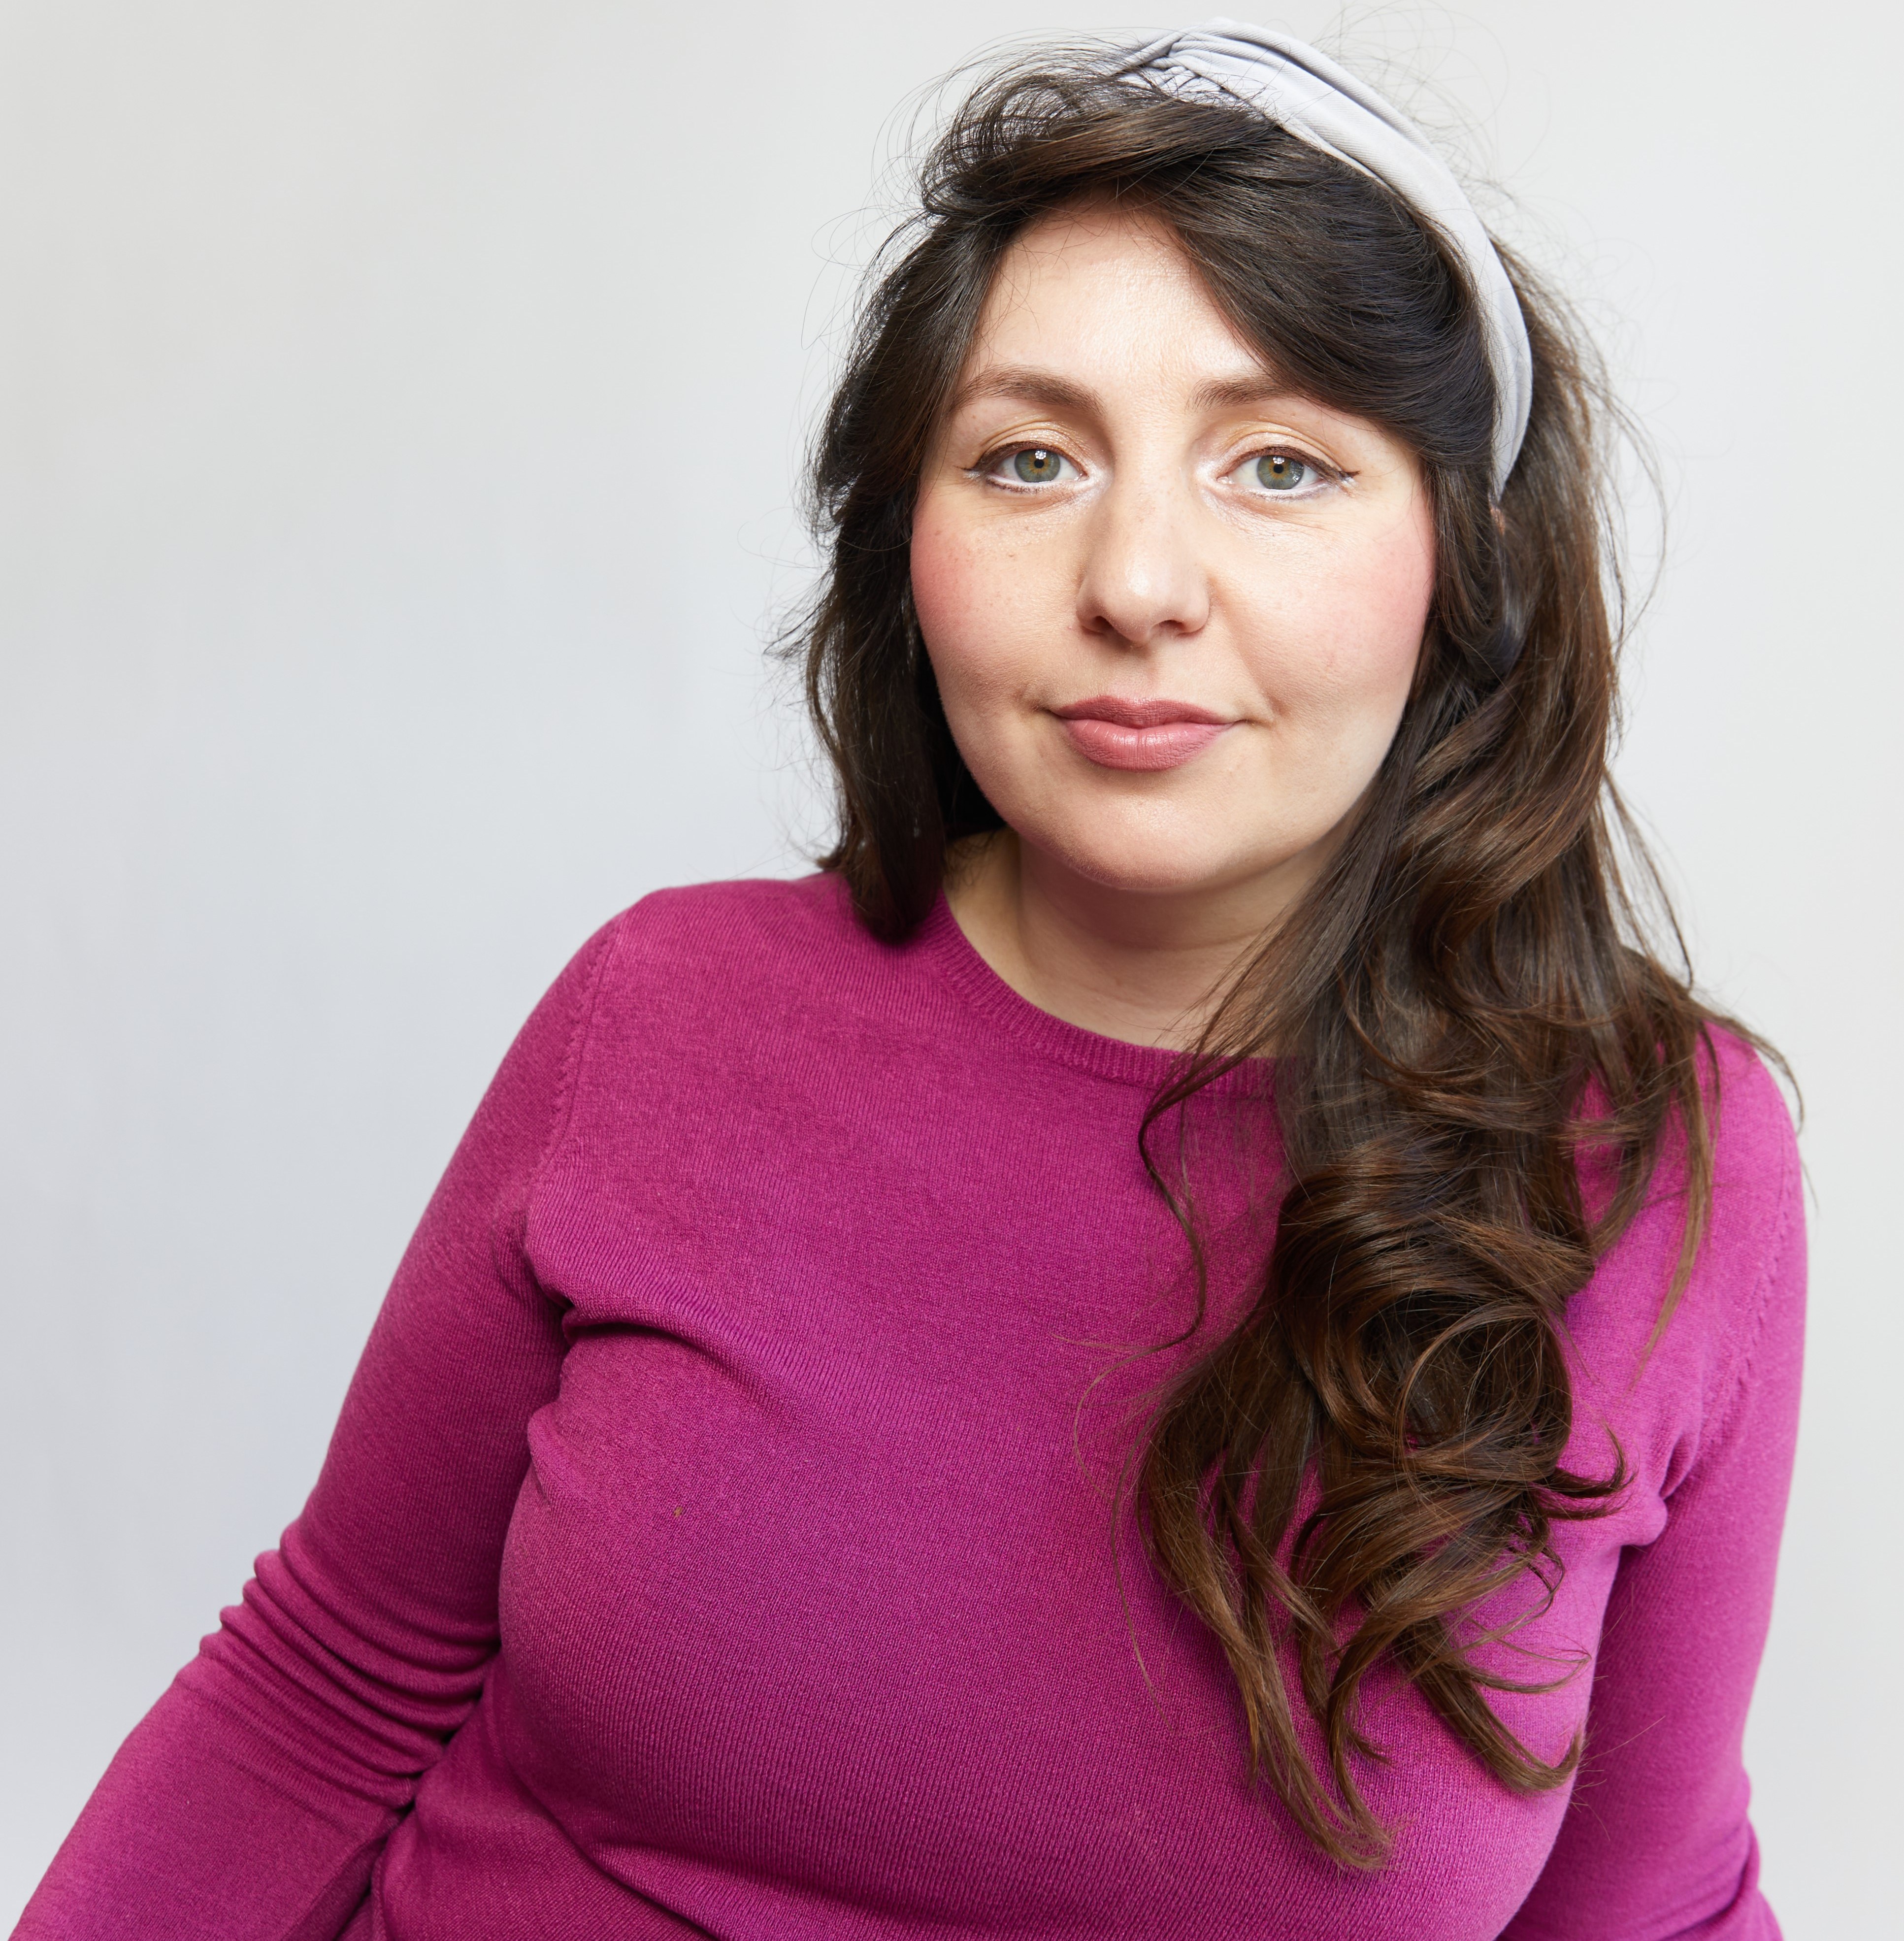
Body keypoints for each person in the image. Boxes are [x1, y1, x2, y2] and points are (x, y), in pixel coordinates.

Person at [17, 22, 1802, 1940]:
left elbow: (1644, 1898)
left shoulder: (1660, 1158)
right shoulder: (663, 1008)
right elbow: (321, 1689)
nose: (1136, 579)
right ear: (912, 548)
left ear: (1463, 561)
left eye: (1277, 462)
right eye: (1029, 456)